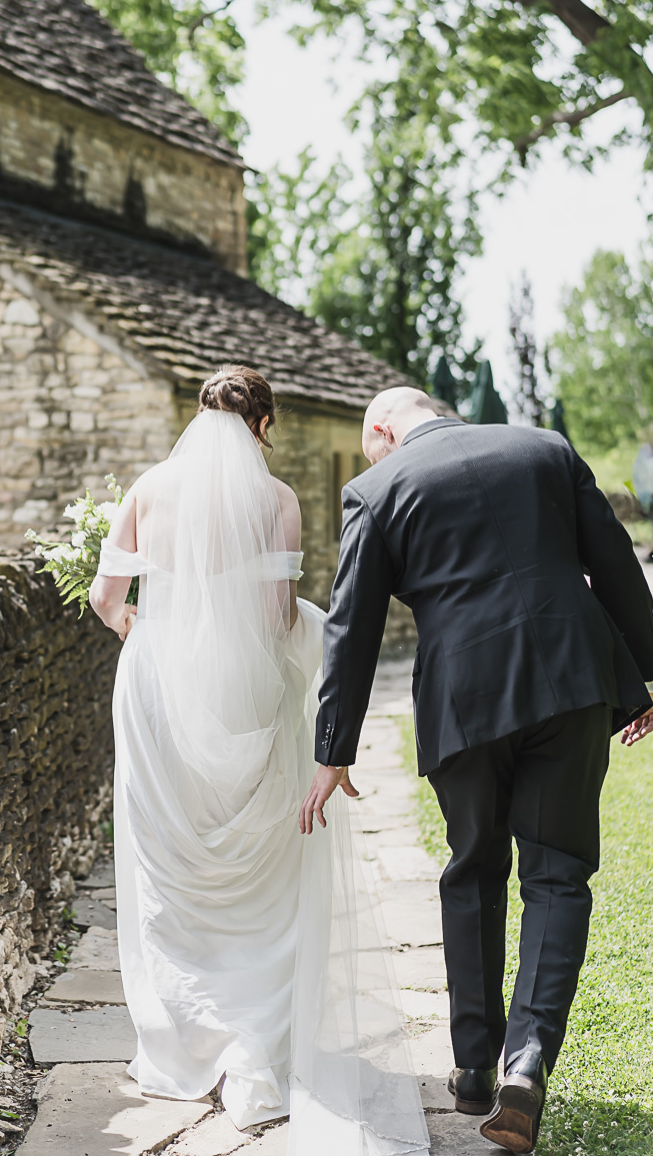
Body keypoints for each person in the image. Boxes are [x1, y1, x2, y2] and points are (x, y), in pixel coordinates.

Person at [302, 387, 653, 1155]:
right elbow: (616, 564)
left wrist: (333, 751)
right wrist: (647, 676)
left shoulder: (377, 489)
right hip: (570, 681)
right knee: (557, 876)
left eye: (373, 449)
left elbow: (350, 626)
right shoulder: (546, 449)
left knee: (472, 871)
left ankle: (470, 1069)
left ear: (385, 429)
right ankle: (526, 1062)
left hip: (462, 700)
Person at [90, 367, 429, 1153]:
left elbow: (109, 599)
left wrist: (148, 631)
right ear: (264, 423)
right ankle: (255, 1040)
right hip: (245, 688)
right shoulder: (276, 501)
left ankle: (181, 1043)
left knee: (168, 854)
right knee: (263, 861)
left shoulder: (147, 489)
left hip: (156, 689)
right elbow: (277, 618)